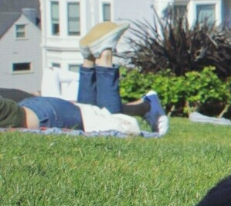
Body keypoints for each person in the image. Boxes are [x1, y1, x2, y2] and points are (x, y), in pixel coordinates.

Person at [0, 22, 166, 135]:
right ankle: (90, 58)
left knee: (116, 122)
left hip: (47, 115)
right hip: (37, 107)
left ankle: (104, 56)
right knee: (90, 110)